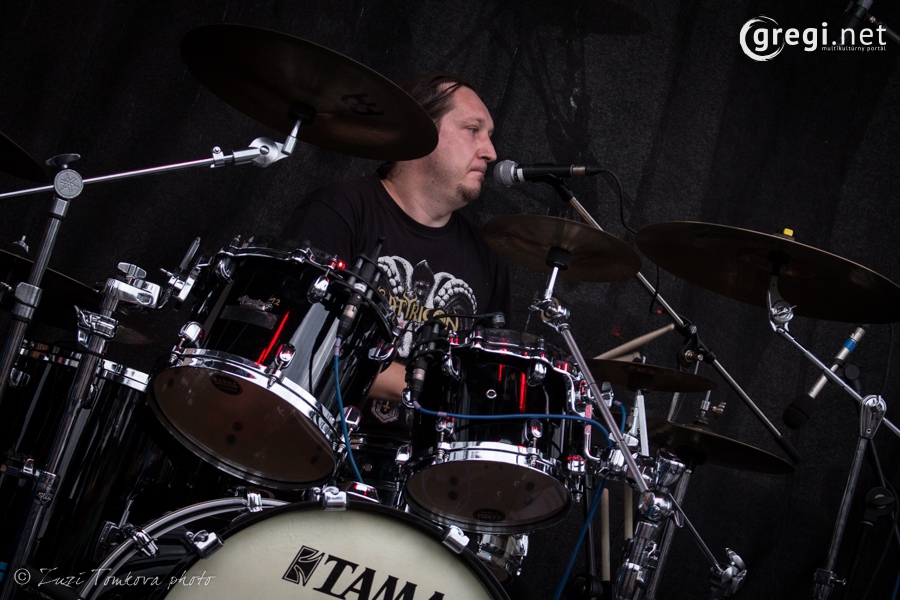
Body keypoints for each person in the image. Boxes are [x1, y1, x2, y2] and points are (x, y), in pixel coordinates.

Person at [281, 73, 510, 423]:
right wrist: (436, 388)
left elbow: (488, 382)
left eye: (489, 136)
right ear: (421, 131)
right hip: (315, 438)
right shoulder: (339, 210)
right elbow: (299, 346)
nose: (490, 152)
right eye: (472, 130)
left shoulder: (488, 259)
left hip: (422, 457)